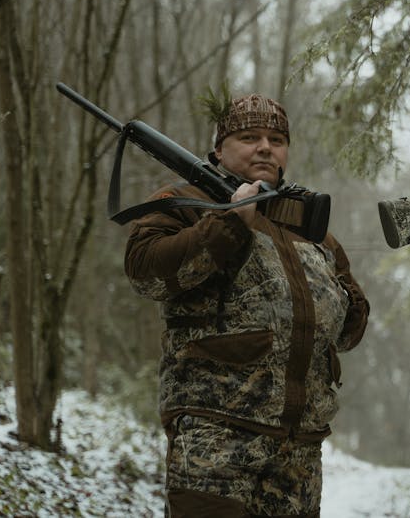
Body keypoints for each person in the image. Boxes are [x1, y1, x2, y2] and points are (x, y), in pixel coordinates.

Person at [124, 92, 369, 518]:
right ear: (219, 149)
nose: (265, 147)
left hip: (300, 449)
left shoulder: (310, 228)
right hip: (214, 438)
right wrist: (229, 221)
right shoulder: (186, 202)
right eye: (249, 136)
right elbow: (145, 272)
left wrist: (344, 303)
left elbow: (349, 330)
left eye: (276, 138)